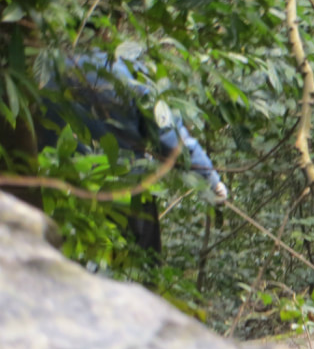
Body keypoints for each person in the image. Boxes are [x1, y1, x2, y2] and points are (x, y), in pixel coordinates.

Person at [37, 49, 228, 255]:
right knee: (137, 273)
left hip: (57, 195)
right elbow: (171, 137)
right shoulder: (129, 73)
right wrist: (211, 181)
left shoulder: (42, 69)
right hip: (125, 196)